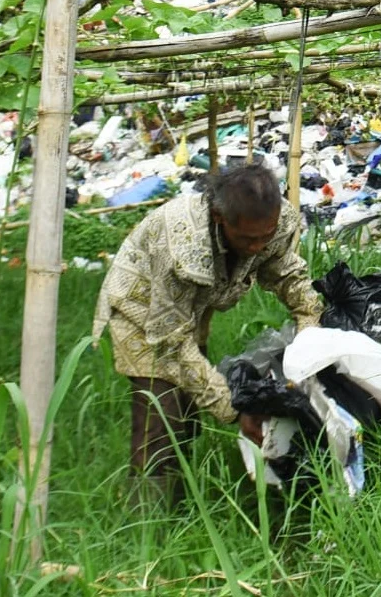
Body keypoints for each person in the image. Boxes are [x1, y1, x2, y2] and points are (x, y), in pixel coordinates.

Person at [92, 164, 321, 504]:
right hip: (140, 308)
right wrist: (235, 409)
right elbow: (170, 340)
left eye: (265, 236)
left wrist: (310, 328)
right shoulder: (182, 243)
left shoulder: (277, 222)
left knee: (187, 412)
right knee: (161, 417)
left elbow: (286, 273)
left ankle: (181, 497)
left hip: (190, 308)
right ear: (218, 217)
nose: (257, 247)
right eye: (246, 239)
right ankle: (147, 526)